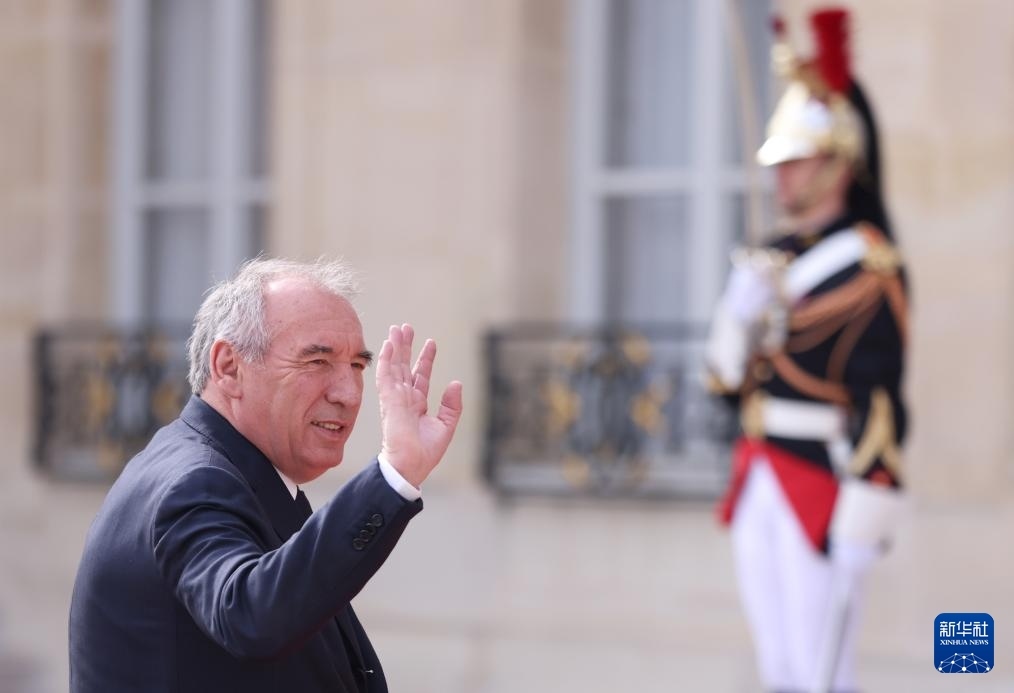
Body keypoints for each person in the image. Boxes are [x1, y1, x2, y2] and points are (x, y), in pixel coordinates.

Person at [69, 257, 463, 692]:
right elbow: (247, 613)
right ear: (228, 367)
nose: (349, 394)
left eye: (356, 366)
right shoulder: (194, 481)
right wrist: (393, 475)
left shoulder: (242, 474)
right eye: (317, 361)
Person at [706, 8, 908, 692]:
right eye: (781, 162)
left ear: (837, 163)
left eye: (797, 161)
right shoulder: (773, 257)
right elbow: (723, 382)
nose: (783, 177)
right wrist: (736, 318)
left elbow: (882, 397)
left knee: (824, 673)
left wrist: (868, 505)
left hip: (822, 476)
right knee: (780, 669)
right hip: (758, 470)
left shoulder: (869, 264)